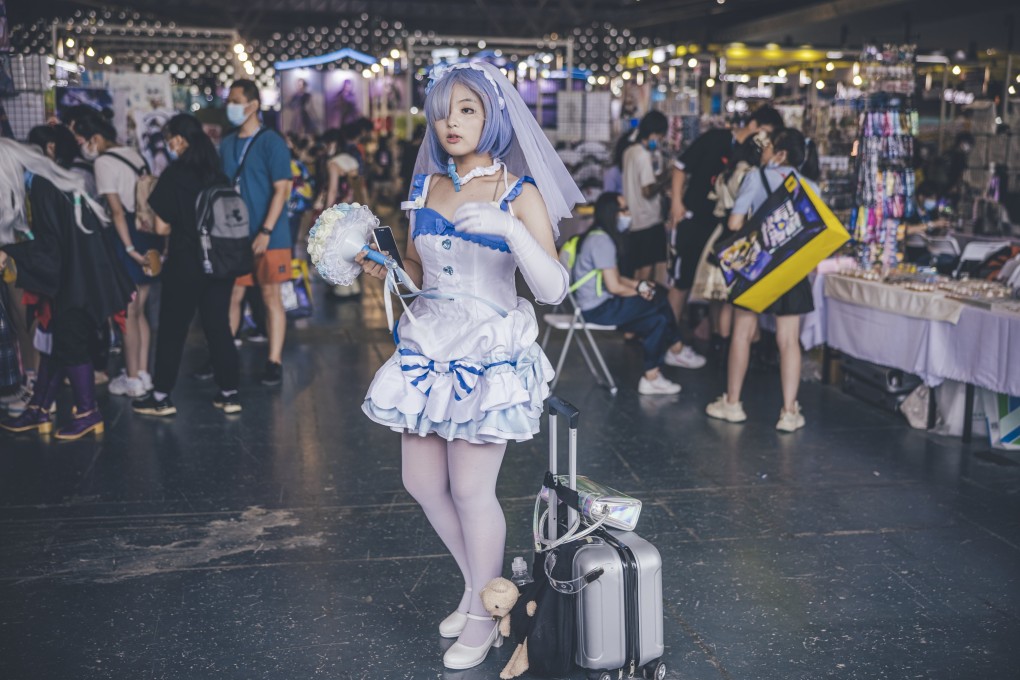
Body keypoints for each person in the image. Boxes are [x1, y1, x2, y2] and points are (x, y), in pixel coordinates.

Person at [357, 61, 581, 671]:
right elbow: (421, 273)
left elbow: (555, 288)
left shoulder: (519, 191)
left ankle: (486, 615)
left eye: (468, 110)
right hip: (430, 342)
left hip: (486, 350)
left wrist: (512, 230)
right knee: (421, 484)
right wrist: (388, 271)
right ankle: (477, 586)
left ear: (494, 117)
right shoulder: (428, 185)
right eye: (443, 108)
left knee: (470, 488)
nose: (450, 121)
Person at [0, 139, 133, 439]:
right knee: (57, 345)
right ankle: (40, 409)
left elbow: (51, 249)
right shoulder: (50, 183)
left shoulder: (43, 189)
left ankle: (87, 413)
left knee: (68, 344)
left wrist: (12, 253)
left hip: (77, 282)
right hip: (83, 276)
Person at [706, 128, 820, 432]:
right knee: (788, 340)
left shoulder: (756, 177)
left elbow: (734, 222)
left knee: (742, 334)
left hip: (757, 267)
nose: (764, 150)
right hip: (792, 270)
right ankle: (789, 412)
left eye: (769, 146)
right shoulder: (810, 186)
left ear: (780, 153)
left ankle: (732, 403)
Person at [131, 114, 242, 417]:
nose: (168, 145)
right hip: (219, 263)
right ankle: (230, 393)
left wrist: (145, 224)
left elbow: (163, 228)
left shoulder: (174, 175)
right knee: (218, 327)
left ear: (180, 139)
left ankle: (162, 396)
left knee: (172, 329)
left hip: (185, 262)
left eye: (169, 139)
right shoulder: (217, 174)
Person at [667, 106, 784, 356]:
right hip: (695, 218)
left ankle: (704, 339)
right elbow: (680, 166)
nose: (766, 141)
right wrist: (677, 203)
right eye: (765, 133)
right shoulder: (716, 139)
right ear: (754, 125)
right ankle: (667, 342)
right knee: (682, 281)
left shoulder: (751, 157)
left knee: (715, 291)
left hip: (721, 229)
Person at [569, 192, 691, 395]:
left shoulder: (598, 237)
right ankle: (676, 346)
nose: (627, 214)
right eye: (623, 210)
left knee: (658, 320)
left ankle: (651, 377)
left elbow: (615, 278)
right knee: (659, 297)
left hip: (599, 305)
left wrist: (638, 286)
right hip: (597, 309)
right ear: (611, 213)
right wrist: (641, 292)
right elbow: (615, 286)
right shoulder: (602, 242)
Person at [77, 112, 162, 399]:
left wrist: (128, 249)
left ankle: (133, 378)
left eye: (81, 140)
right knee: (141, 312)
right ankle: (143, 374)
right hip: (148, 233)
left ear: (95, 139)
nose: (82, 147)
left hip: (128, 236)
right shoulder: (133, 153)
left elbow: (116, 211)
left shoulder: (102, 162)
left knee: (127, 313)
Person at [221, 79, 293, 387]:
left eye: (235, 100)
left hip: (270, 236)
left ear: (252, 105)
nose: (230, 106)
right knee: (232, 295)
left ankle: (273, 360)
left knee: (270, 296)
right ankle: (222, 355)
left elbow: (283, 189)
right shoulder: (226, 144)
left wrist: (265, 230)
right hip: (234, 235)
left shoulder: (271, 142)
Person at [621, 111, 705, 369]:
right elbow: (647, 190)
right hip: (648, 220)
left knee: (638, 273)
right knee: (647, 276)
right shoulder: (643, 156)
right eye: (660, 134)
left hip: (635, 221)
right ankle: (641, 324)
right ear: (654, 132)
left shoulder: (628, 151)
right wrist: (668, 177)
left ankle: (633, 325)